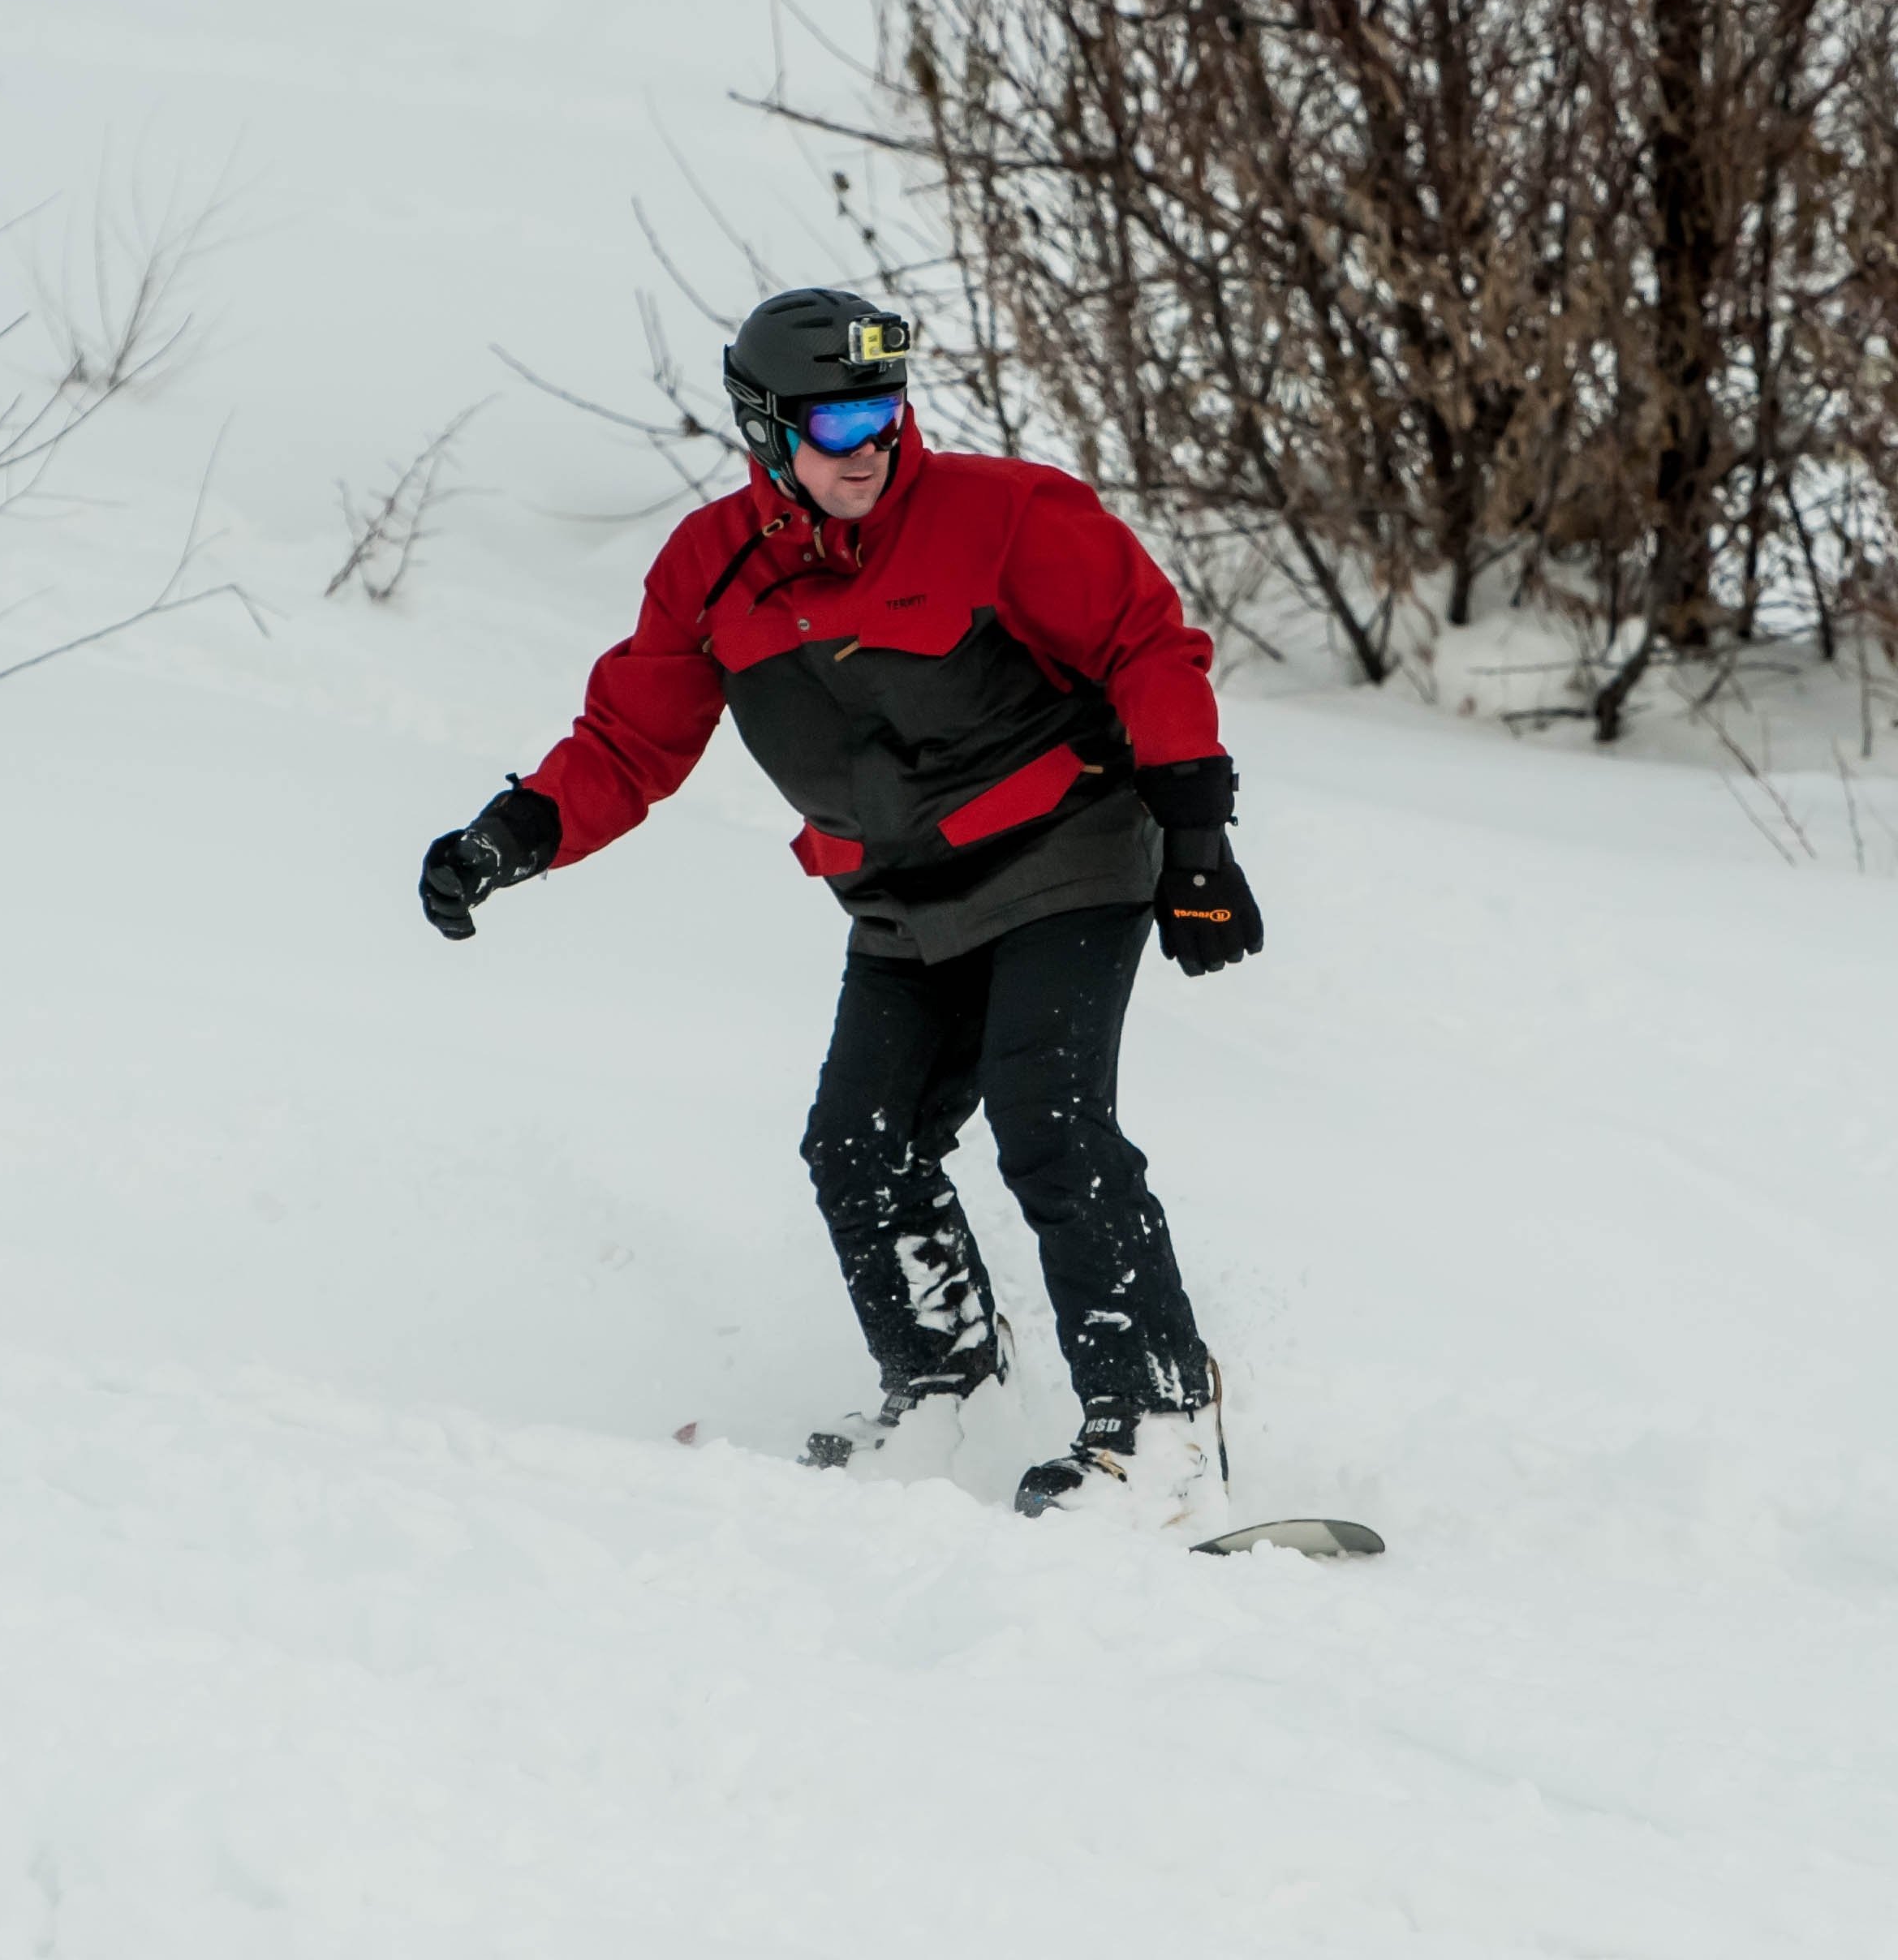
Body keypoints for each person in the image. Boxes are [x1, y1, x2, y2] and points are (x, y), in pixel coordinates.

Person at [417, 288, 1265, 1521]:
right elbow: (632, 740)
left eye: (883, 410)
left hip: (1067, 850)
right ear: (767, 426)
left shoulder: (1007, 514)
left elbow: (1150, 644)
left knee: (1051, 1123)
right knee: (857, 1143)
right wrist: (511, 838)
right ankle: (947, 1396)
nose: (868, 445)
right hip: (902, 897)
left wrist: (1197, 840)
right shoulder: (713, 568)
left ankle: (1158, 1429)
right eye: (835, 422)